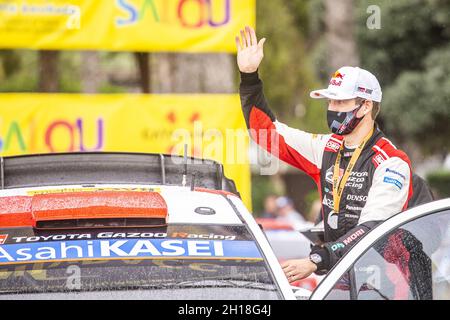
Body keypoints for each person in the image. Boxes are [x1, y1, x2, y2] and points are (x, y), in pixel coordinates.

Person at [235, 26, 416, 283]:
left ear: (365, 106)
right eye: (330, 101)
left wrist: (316, 260)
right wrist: (249, 76)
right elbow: (264, 133)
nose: (332, 109)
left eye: (341, 102)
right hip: (340, 278)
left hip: (386, 282)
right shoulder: (326, 147)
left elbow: (374, 229)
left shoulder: (392, 162)